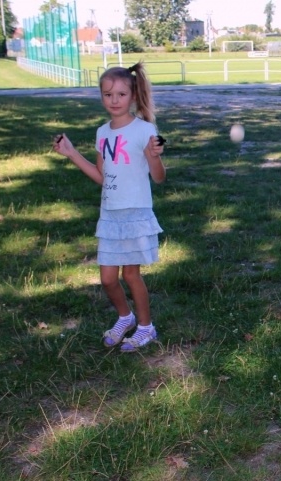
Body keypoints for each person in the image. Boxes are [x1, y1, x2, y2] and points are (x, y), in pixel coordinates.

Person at [53, 62, 166, 352]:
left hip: (135, 213)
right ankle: (124, 317)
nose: (114, 100)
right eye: (107, 94)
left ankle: (145, 327)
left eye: (120, 94)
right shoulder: (102, 133)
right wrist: (71, 153)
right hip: (110, 215)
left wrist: (154, 156)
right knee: (106, 279)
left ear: (133, 96)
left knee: (130, 275)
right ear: (102, 97)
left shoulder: (144, 130)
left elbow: (159, 176)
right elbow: (102, 177)